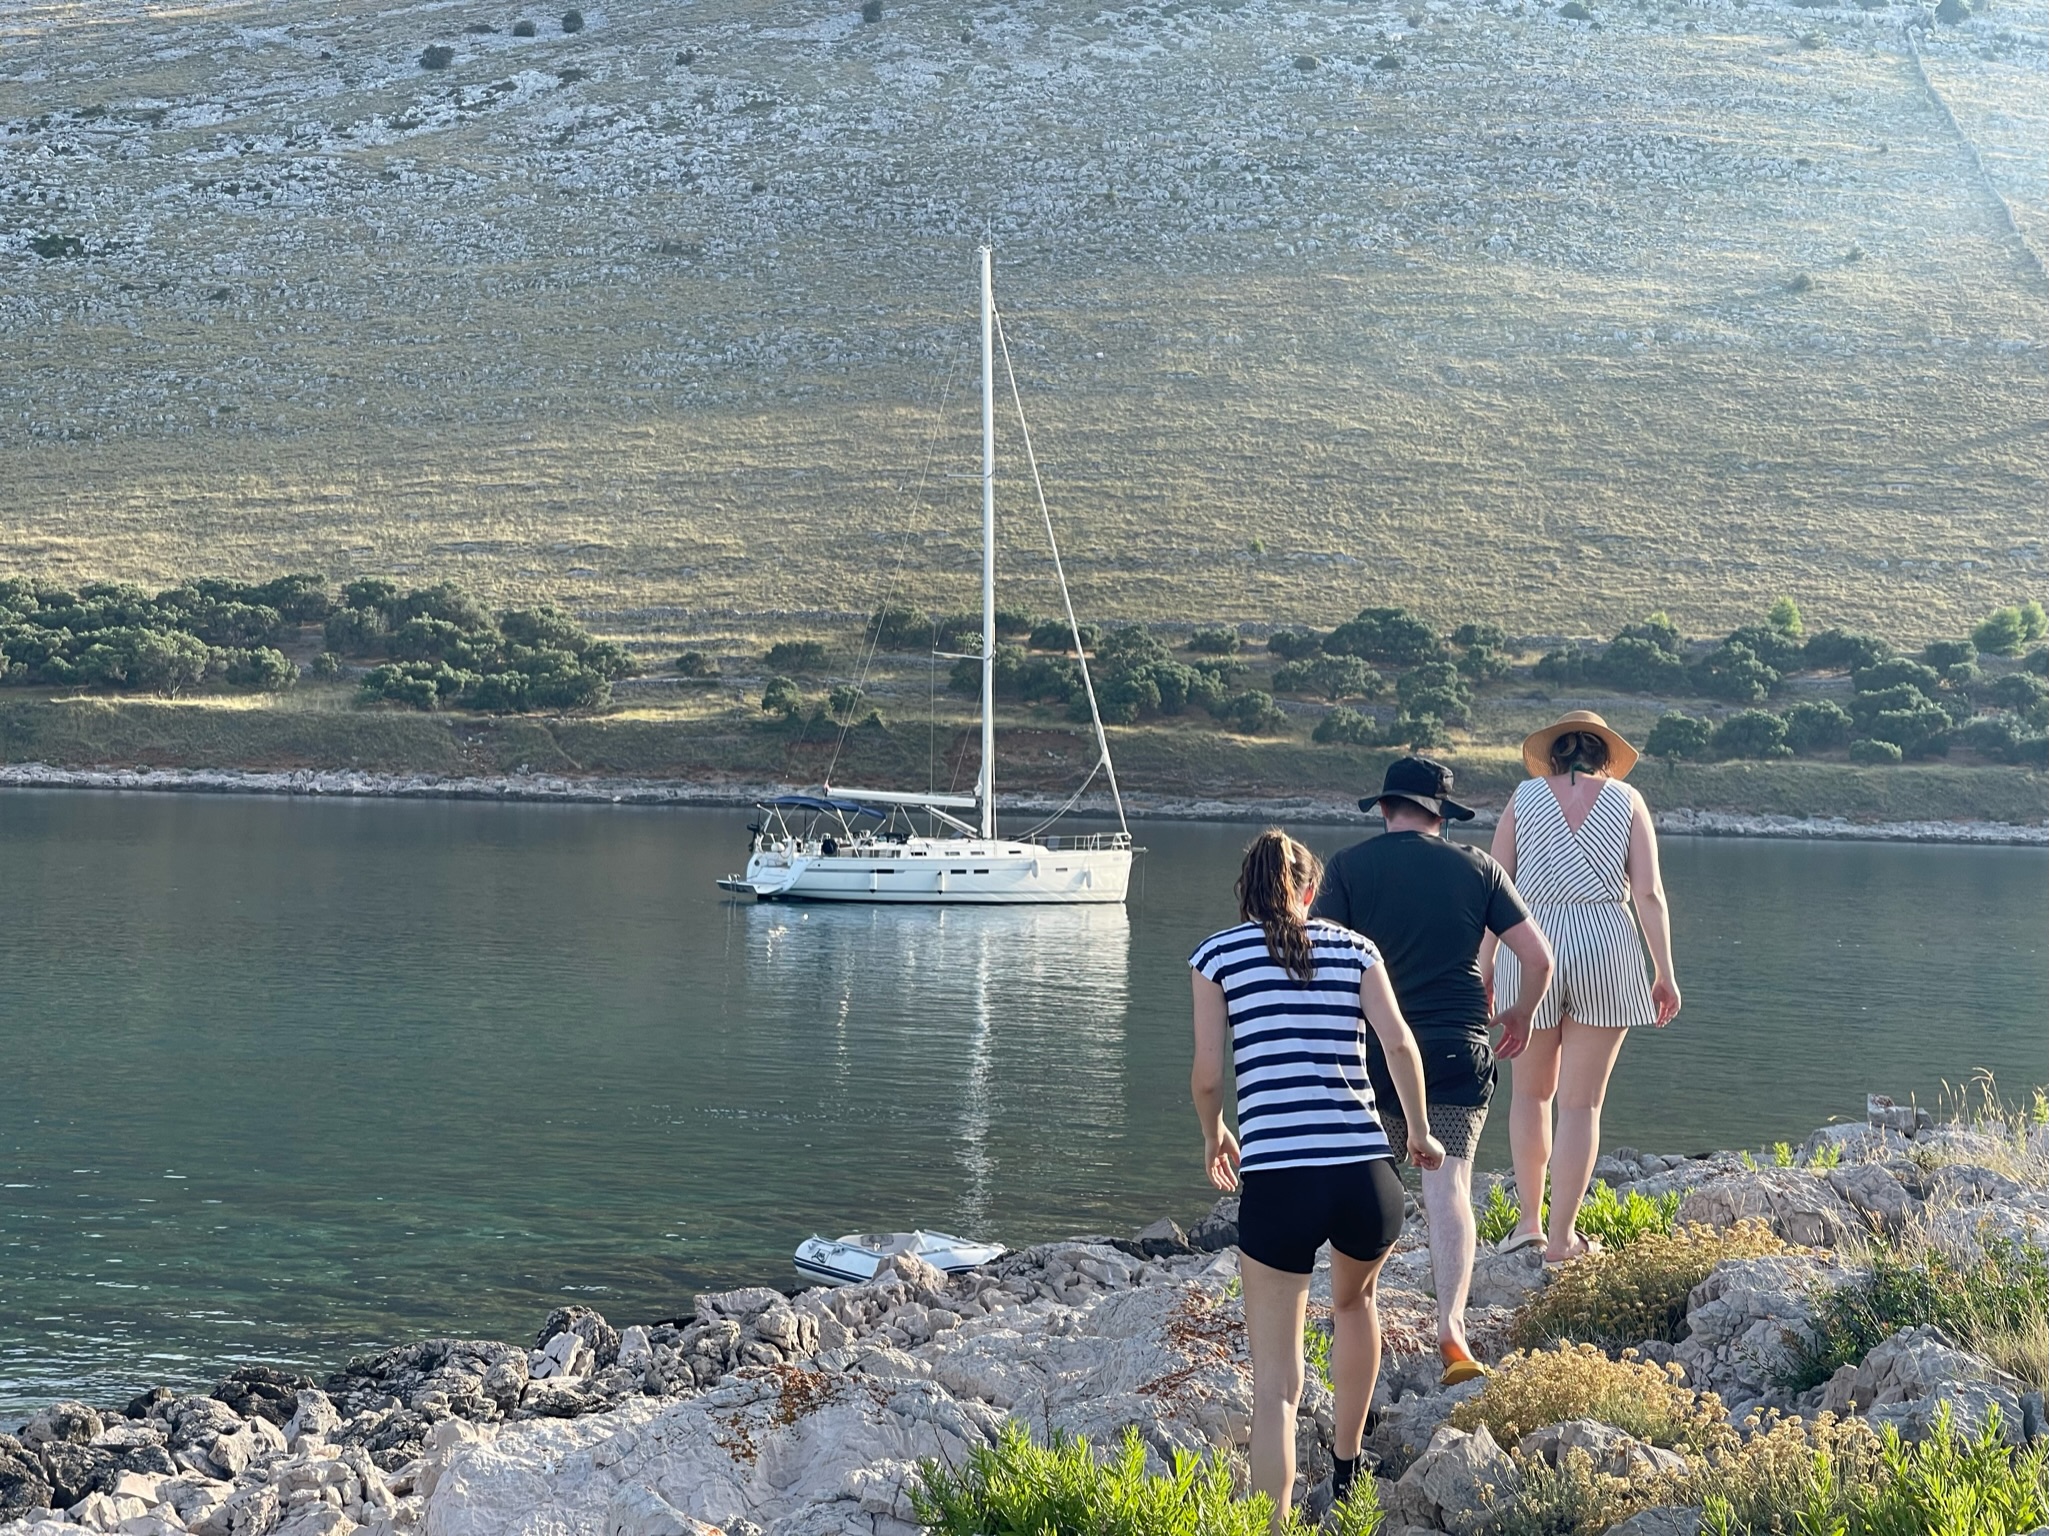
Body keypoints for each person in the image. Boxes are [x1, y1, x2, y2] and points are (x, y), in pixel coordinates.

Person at [1190, 830, 1444, 1530]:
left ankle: (1271, 1525)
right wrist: (1419, 1130)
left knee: (1274, 1384)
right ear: (1310, 889)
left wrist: (1214, 1135)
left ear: (1244, 890)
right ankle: (1346, 1464)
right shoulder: (1356, 949)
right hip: (1364, 1173)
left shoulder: (1218, 955)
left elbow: (1209, 1073)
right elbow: (1397, 1042)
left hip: (1279, 1178)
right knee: (1355, 1306)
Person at [1310, 756, 1554, 1385]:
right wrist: (1522, 1017)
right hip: (1454, 1048)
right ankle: (1452, 1331)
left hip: (1374, 1048)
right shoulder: (1479, 868)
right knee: (1447, 1187)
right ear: (1441, 815)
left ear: (1386, 807)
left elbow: (1320, 957)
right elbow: (1539, 958)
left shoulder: (1349, 867)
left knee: (1366, 1180)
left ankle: (1352, 1306)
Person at [1482, 712, 1681, 1264]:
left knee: (1529, 1094)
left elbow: (1494, 887)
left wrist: (1487, 963)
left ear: (1553, 755)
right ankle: (1564, 1237)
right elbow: (1649, 894)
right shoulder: (1628, 801)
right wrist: (1663, 971)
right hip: (1606, 942)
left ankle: (1527, 1224)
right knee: (1581, 1105)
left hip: (1532, 941)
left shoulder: (1523, 798)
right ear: (1604, 757)